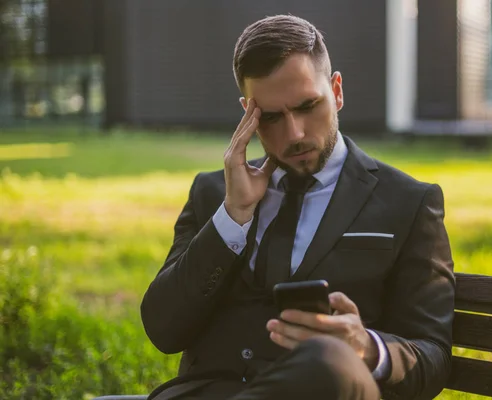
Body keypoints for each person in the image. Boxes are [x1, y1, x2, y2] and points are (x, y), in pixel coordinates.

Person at [141, 14, 455, 400]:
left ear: (336, 90)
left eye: (308, 106)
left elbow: (433, 357)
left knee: (328, 360)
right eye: (271, 117)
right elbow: (163, 330)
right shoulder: (213, 194)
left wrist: (368, 347)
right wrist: (232, 216)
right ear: (248, 114)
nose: (295, 134)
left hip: (329, 388)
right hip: (208, 392)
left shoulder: (409, 201)